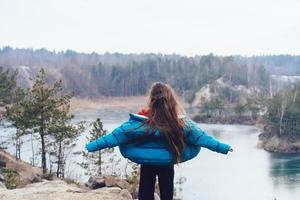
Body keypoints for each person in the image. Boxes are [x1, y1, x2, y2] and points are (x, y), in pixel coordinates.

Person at [86, 82, 233, 200]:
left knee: (145, 192)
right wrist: (224, 147)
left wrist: (91, 146)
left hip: (147, 162)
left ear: (151, 99)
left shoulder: (140, 121)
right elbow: (202, 138)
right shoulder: (179, 122)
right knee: (167, 192)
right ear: (171, 100)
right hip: (167, 162)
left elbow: (114, 137)